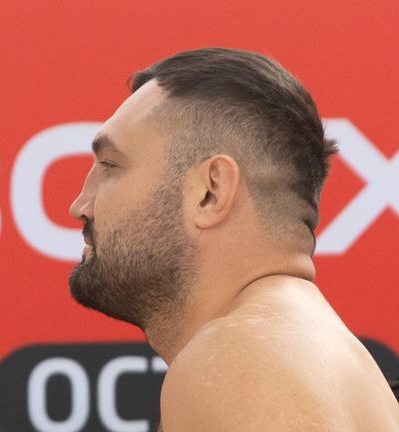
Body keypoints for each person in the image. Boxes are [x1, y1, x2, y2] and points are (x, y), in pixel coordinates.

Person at [68, 47, 399, 431]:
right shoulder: (297, 352)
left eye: (110, 166)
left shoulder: (239, 359)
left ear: (210, 191)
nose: (80, 206)